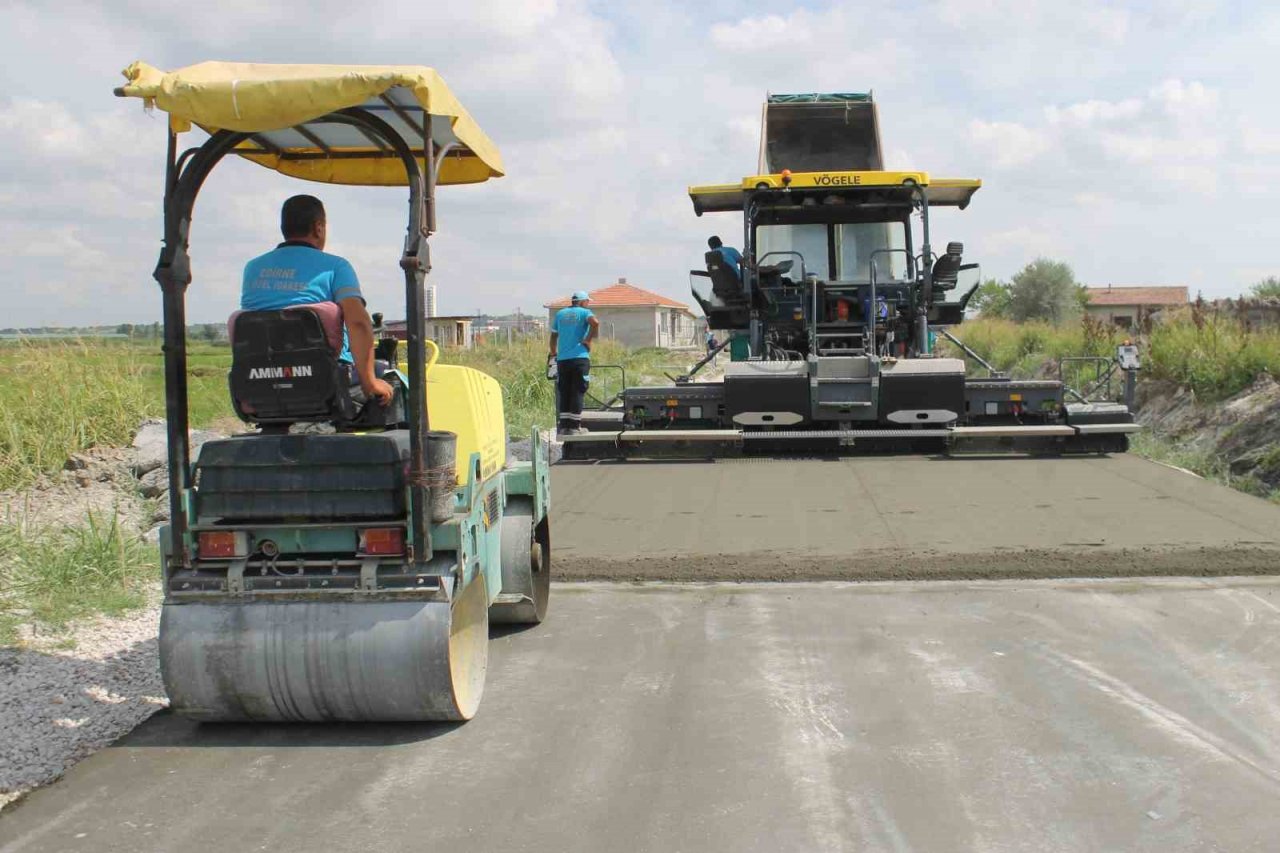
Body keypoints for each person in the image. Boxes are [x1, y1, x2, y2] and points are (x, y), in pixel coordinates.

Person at [241, 195, 393, 406]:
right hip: (323, 378)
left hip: (263, 379)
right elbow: (358, 323)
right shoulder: (335, 267)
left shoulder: (253, 268)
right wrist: (370, 384)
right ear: (318, 228)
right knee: (389, 374)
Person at [549, 290, 600, 436]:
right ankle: (575, 427)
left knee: (565, 391)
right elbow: (595, 323)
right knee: (578, 391)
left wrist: (553, 353)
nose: (588, 304)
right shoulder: (585, 313)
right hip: (579, 358)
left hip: (563, 360)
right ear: (583, 302)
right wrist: (588, 340)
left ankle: (564, 427)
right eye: (587, 302)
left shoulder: (560, 314)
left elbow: (553, 336)